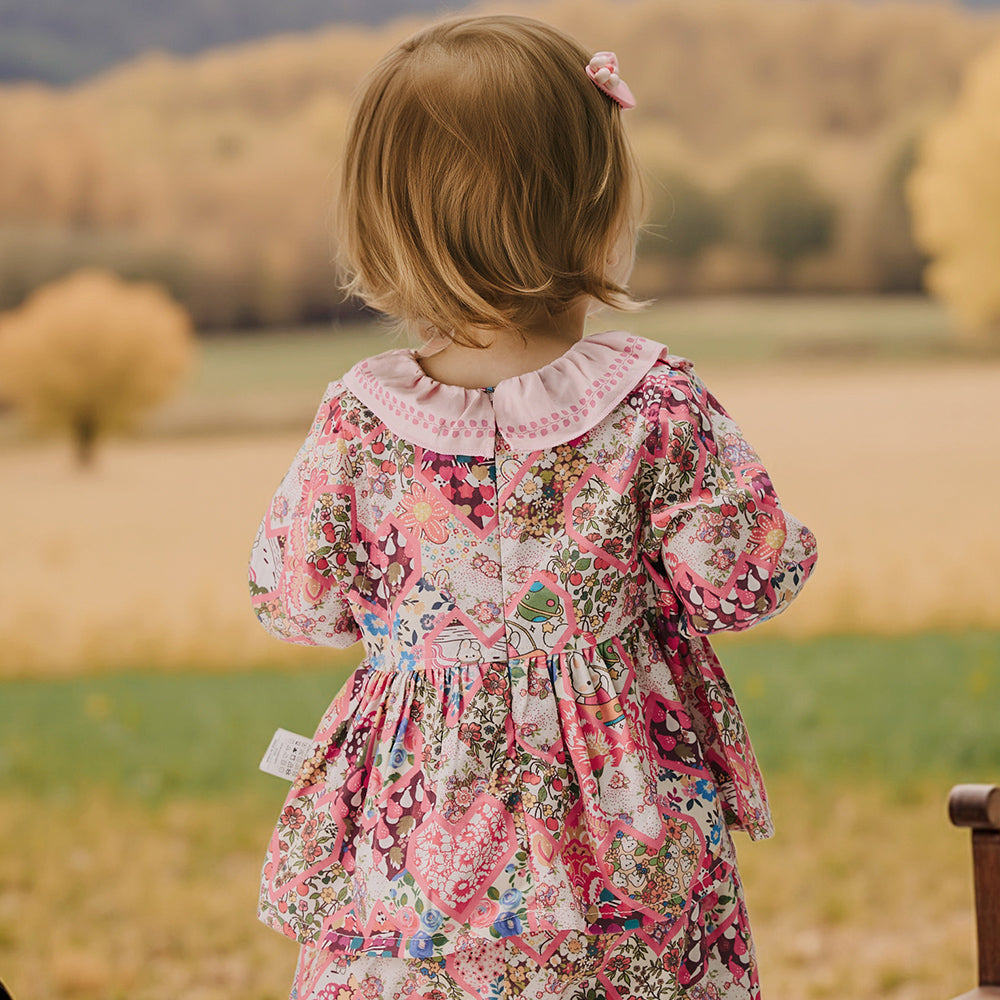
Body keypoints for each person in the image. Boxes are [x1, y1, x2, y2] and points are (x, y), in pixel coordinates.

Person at [248, 14, 817, 1000]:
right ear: (599, 207)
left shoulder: (358, 421)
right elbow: (745, 579)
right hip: (617, 826)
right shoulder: (652, 402)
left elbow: (296, 599)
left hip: (416, 827)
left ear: (385, 220)